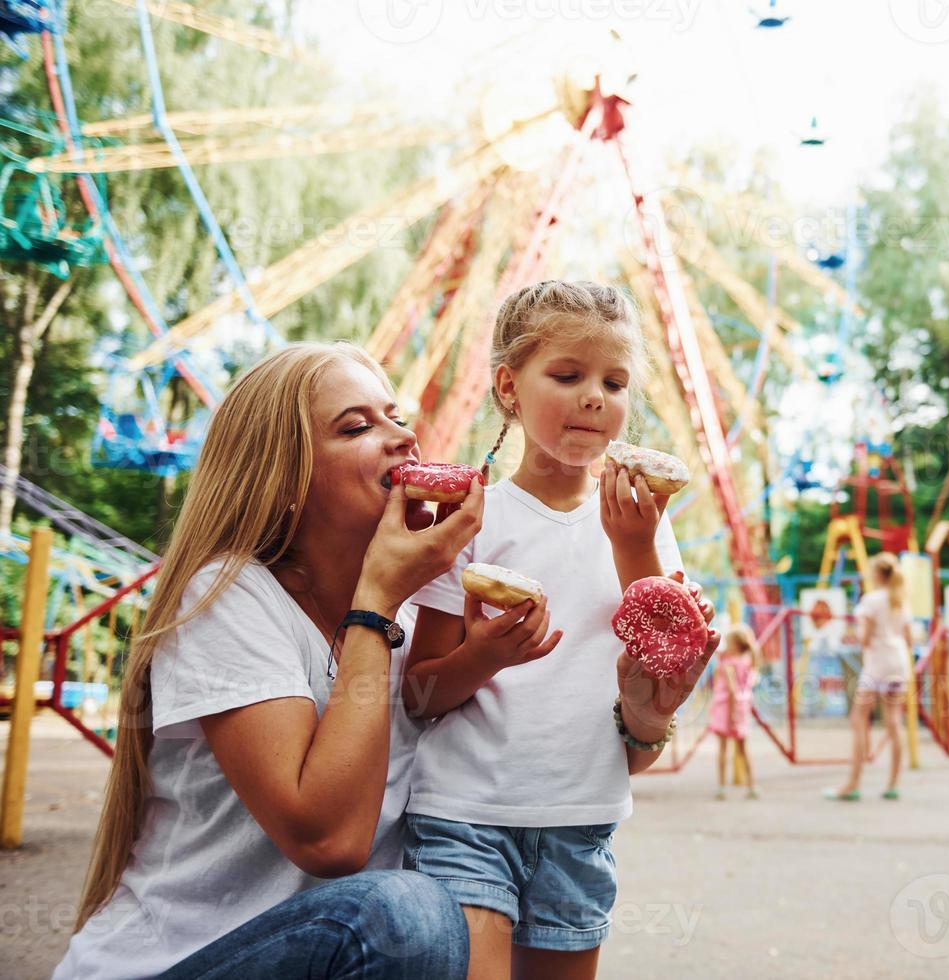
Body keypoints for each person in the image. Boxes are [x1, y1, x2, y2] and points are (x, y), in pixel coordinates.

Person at [54, 342, 487, 979]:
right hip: (174, 964)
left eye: (396, 417)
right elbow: (328, 841)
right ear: (284, 481)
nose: (404, 437)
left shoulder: (427, 625)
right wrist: (376, 603)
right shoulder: (225, 595)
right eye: (357, 427)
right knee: (408, 915)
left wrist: (644, 704)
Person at [401, 281, 717, 980]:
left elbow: (656, 692)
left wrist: (637, 550)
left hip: (584, 818)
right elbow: (418, 696)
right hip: (466, 816)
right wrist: (483, 657)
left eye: (615, 380)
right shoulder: (471, 521)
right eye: (568, 375)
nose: (595, 397)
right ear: (509, 388)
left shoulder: (652, 531)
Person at [827, 553, 913, 802]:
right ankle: (893, 784)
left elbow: (864, 638)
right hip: (898, 662)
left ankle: (853, 783)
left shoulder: (871, 600)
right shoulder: (900, 601)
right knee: (894, 723)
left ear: (877, 575)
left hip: (877, 664)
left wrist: (856, 636)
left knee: (858, 719)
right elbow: (908, 639)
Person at [710, 623, 760, 800]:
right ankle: (751, 786)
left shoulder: (728, 665)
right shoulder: (747, 664)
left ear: (735, 646)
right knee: (743, 749)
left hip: (727, 709)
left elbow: (731, 690)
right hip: (742, 709)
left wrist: (731, 715)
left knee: (723, 749)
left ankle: (721, 786)